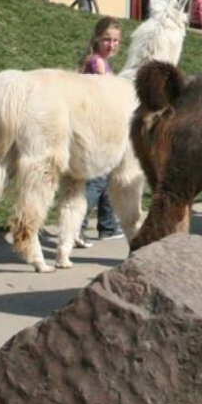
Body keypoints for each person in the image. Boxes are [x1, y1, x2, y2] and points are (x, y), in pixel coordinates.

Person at [73, 17, 123, 249]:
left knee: (108, 176)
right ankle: (77, 226)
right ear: (97, 39)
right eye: (107, 40)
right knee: (97, 179)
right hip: (98, 129)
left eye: (115, 41)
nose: (111, 45)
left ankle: (107, 226)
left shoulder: (97, 61)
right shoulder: (98, 64)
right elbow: (107, 97)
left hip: (100, 127)